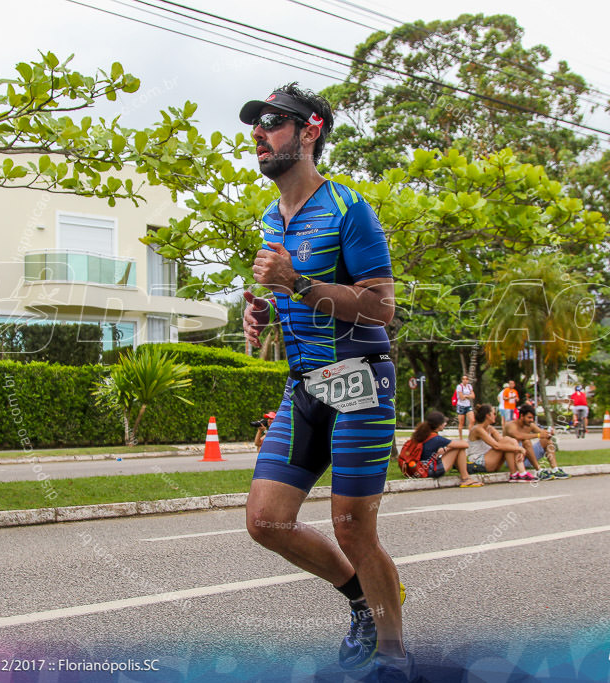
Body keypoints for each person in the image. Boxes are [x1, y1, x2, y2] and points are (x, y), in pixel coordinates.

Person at [238, 83, 413, 677]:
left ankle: (394, 656)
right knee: (266, 521)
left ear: (310, 132)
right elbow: (287, 295)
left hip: (358, 378)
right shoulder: (270, 215)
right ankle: (362, 601)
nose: (258, 134)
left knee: (352, 525)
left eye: (273, 123)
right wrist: (261, 310)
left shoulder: (348, 208)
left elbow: (382, 308)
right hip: (306, 384)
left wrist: (298, 285)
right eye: (255, 125)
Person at [408, 411, 482, 487]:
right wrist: (447, 448)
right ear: (438, 425)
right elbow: (465, 444)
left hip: (421, 468)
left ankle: (466, 477)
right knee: (459, 448)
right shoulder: (437, 439)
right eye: (443, 422)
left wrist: (445, 449)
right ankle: (466, 478)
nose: (445, 424)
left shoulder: (424, 434)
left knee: (456, 447)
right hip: (430, 470)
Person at [466, 404, 535, 482]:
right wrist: (519, 448)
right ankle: (520, 473)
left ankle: (516, 474)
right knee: (508, 441)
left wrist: (518, 449)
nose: (495, 416)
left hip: (490, 461)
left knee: (509, 441)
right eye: (494, 414)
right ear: (488, 415)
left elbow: (505, 441)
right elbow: (496, 446)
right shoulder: (477, 429)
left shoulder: (490, 428)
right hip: (479, 462)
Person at [503, 405, 571, 480]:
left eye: (532, 418)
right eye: (529, 417)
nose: (531, 420)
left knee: (546, 440)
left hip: (527, 458)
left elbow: (542, 433)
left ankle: (555, 469)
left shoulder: (530, 425)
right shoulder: (510, 425)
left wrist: (548, 434)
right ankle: (539, 471)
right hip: (514, 461)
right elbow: (518, 436)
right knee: (527, 442)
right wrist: (538, 435)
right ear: (522, 416)